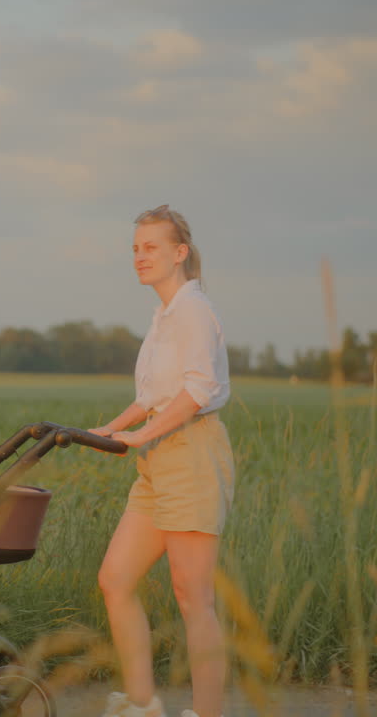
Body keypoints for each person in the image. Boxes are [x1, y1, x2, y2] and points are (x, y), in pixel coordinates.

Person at [88, 204, 235, 717]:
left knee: (193, 597)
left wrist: (143, 434)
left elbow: (198, 390)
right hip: (157, 458)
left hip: (191, 453)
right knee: (116, 578)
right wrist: (113, 428)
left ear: (180, 253)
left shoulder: (192, 309)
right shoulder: (164, 316)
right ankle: (142, 702)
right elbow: (153, 393)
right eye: (135, 248)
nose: (139, 257)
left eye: (150, 247)